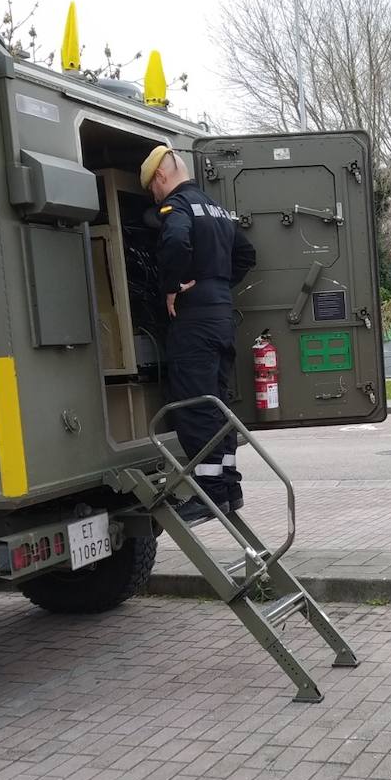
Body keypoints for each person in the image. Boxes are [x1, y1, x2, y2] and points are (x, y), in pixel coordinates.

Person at [140, 145, 257, 522]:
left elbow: (175, 240)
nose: (154, 195)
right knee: (218, 403)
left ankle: (207, 495)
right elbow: (247, 255)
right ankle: (228, 487)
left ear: (160, 176)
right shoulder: (217, 208)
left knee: (195, 405)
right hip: (221, 315)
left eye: (152, 188)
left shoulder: (178, 207)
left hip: (193, 320)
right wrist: (216, 285)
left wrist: (173, 286)